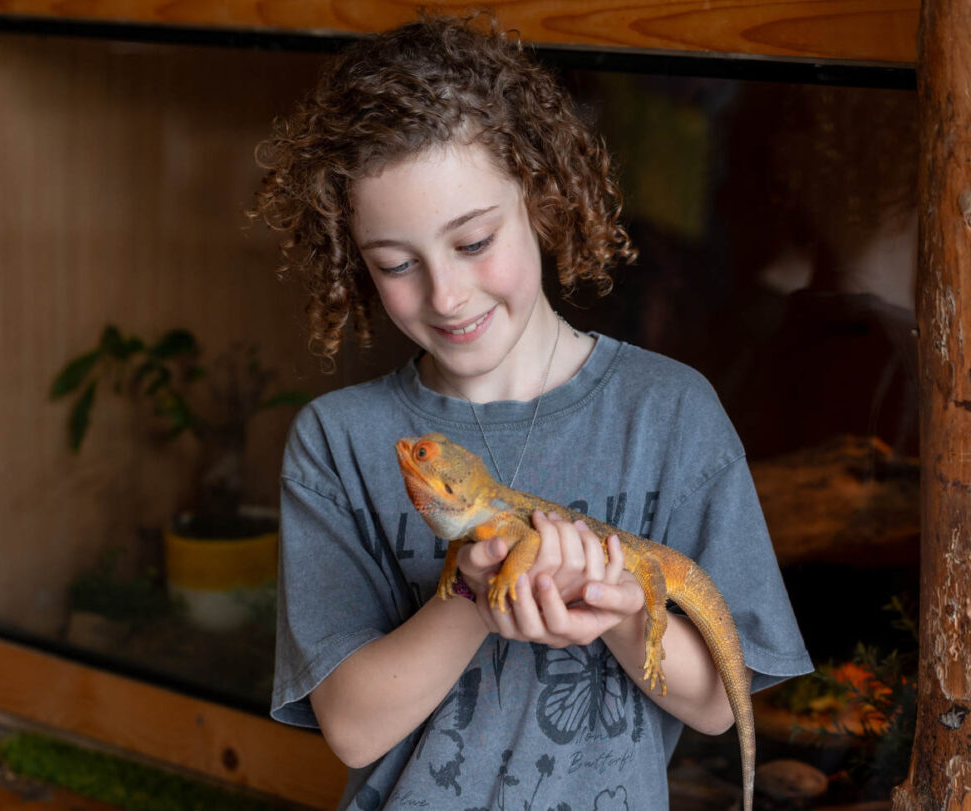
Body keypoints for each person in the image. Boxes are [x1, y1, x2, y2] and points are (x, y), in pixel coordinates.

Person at [252, 14, 811, 810]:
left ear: (542, 199)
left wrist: (620, 611)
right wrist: (478, 598)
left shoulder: (670, 410)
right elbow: (350, 728)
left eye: (474, 241)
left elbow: (720, 706)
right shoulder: (338, 439)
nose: (446, 295)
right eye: (396, 263)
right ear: (354, 260)